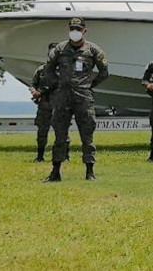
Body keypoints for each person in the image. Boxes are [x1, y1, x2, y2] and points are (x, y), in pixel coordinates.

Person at [42, 17, 109, 182]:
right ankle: (55, 172)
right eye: (73, 29)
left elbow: (104, 72)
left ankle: (89, 172)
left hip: (83, 97)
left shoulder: (93, 50)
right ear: (68, 30)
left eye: (78, 29)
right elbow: (48, 69)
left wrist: (90, 85)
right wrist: (57, 85)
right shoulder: (60, 49)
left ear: (84, 31)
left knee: (87, 135)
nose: (75, 32)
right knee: (59, 136)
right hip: (63, 97)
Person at [30, 42, 59, 162]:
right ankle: (40, 156)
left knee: (61, 133)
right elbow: (32, 84)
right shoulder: (41, 70)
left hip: (59, 106)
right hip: (44, 105)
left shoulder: (64, 70)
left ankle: (64, 155)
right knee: (41, 132)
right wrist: (34, 91)